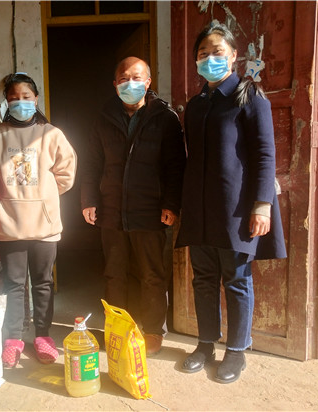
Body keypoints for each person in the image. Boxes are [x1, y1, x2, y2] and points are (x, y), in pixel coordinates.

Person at [176, 23, 287, 383]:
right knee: (203, 278)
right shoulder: (196, 105)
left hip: (236, 208)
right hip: (201, 207)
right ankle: (205, 344)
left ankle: (237, 351)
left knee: (237, 279)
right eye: (203, 53)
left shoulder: (248, 96)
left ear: (234, 55)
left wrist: (262, 204)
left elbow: (265, 153)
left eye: (217, 52)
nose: (210, 58)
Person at [80, 57, 186, 355]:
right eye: (124, 78)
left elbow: (176, 165)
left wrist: (171, 203)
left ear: (148, 82)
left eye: (137, 78)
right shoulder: (104, 117)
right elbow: (92, 162)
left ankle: (153, 330)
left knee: (152, 274)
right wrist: (89, 199)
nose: (130, 83)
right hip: (111, 210)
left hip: (150, 209)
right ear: (115, 84)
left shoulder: (165, 117)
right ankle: (118, 328)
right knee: (114, 274)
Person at [0, 72, 77, 368]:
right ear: (6, 102)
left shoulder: (51, 134)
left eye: (26, 97)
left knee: (43, 282)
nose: (21, 102)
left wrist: (43, 195)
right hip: (9, 225)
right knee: (13, 283)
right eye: (14, 98)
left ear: (36, 99)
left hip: (45, 225)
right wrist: (3, 202)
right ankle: (14, 338)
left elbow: (66, 174)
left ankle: (43, 336)